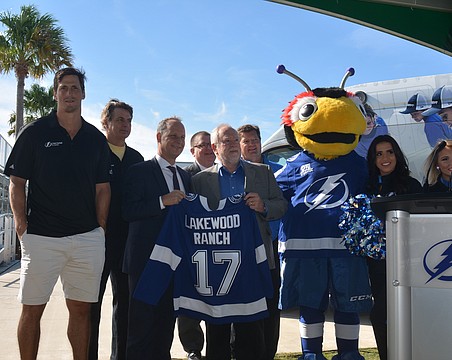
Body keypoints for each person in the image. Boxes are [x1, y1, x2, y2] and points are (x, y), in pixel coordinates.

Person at [4, 67, 111, 360]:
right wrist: (22, 225)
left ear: (83, 94)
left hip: (86, 238)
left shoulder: (95, 139)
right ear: (55, 93)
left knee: (81, 310)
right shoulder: (35, 133)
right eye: (63, 88)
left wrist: (99, 229)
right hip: (41, 237)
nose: (69, 94)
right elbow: (17, 183)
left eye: (75, 88)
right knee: (32, 309)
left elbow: (103, 189)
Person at [191, 123, 287, 360]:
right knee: (218, 328)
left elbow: (282, 205)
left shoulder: (262, 172)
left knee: (252, 328)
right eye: (227, 141)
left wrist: (263, 205)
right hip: (218, 266)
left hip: (255, 261)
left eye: (236, 140)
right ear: (215, 147)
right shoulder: (200, 180)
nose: (233, 145)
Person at [122, 116, 190, 360]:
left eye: (182, 137)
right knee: (140, 330)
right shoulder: (139, 171)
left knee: (165, 329)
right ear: (159, 137)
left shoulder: (186, 177)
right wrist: (163, 201)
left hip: (174, 264)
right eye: (173, 136)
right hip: (145, 263)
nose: (178, 142)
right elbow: (127, 211)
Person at [89, 99, 144, 360]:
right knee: (91, 306)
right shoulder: (92, 152)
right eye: (119, 119)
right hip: (94, 240)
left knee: (125, 305)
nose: (125, 125)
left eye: (128, 120)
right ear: (106, 122)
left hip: (126, 243)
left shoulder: (137, 160)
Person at [365, 134, 422, 360]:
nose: (385, 158)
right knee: (380, 315)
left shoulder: (411, 185)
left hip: (409, 262)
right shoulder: (368, 187)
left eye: (389, 152)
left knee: (407, 314)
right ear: (373, 159)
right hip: (378, 265)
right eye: (379, 154)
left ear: (397, 154)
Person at [237, 124, 282, 360]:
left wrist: (264, 206)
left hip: (271, 247)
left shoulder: (276, 170)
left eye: (255, 139)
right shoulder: (231, 172)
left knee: (270, 305)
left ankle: (268, 353)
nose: (252, 144)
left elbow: (284, 205)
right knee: (243, 307)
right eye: (246, 141)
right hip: (241, 250)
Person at [178, 130, 215, 360]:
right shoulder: (183, 176)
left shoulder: (225, 174)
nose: (209, 149)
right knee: (190, 305)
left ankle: (219, 348)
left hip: (219, 249)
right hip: (191, 251)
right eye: (203, 146)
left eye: (211, 145)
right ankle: (193, 349)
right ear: (192, 151)